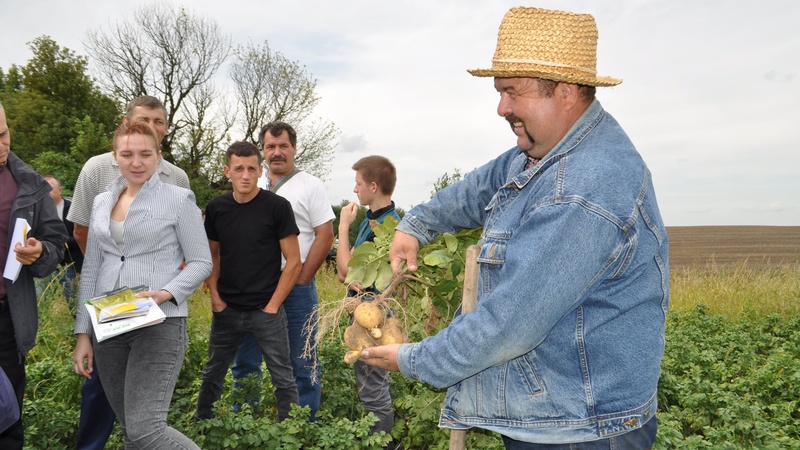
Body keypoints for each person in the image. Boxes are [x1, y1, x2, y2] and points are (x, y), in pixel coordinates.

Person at [360, 6, 669, 448]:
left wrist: (413, 359)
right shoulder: (544, 151)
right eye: (498, 91)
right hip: (552, 411)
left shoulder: (584, 189)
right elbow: (480, 186)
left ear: (564, 92)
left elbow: (508, 324)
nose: (501, 107)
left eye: (511, 92)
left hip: (584, 428)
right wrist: (416, 225)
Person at [71, 119, 211, 449]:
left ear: (157, 156)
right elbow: (91, 267)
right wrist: (82, 334)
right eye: (127, 153)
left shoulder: (179, 199)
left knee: (147, 429)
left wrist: (166, 294)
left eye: (145, 154)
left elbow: (202, 262)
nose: (136, 162)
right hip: (111, 319)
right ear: (115, 155)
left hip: (159, 320)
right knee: (131, 431)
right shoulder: (103, 201)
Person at [231, 121, 334, 420]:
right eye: (270, 147)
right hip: (252, 287)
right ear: (262, 151)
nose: (277, 152)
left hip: (296, 287)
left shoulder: (310, 185)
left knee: (302, 359)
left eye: (283, 146)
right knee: (246, 359)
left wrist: (301, 279)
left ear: (294, 148)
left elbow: (323, 236)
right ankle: (243, 420)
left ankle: (301, 424)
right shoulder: (251, 182)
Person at [195, 141, 300, 422]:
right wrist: (215, 298)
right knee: (213, 374)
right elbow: (212, 257)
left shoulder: (277, 207)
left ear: (260, 171)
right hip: (227, 309)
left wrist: (273, 305)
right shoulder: (217, 208)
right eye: (238, 168)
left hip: (266, 310)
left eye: (251, 168)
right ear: (227, 171)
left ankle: (289, 432)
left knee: (283, 376)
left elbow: (293, 261)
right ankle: (203, 427)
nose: (245, 175)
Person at [0, 102, 68, 450]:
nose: (1, 146)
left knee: (7, 414)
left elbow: (56, 239)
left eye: (4, 134)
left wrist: (41, 251)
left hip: (6, 318)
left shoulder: (28, 183)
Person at [336, 156, 400, 437]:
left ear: (373, 186)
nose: (354, 190)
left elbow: (344, 273)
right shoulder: (374, 219)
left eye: (358, 184)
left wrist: (342, 226)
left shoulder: (387, 227)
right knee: (373, 381)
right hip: (366, 312)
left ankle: (383, 443)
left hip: (374, 317)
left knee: (372, 386)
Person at [44, 175, 83, 311]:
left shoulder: (74, 209)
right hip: (46, 263)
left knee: (73, 301)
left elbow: (82, 236)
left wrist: (59, 241)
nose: (46, 193)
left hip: (70, 263)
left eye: (50, 189)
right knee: (42, 303)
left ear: (60, 190)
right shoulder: (38, 212)